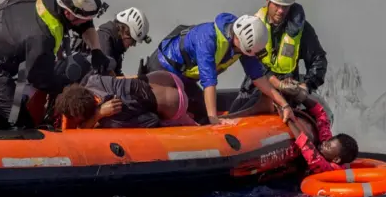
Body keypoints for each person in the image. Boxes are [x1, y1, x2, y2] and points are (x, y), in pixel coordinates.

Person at [0, 0, 112, 130]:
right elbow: (40, 79)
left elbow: (84, 23)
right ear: (68, 14)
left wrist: (96, 50)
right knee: (17, 119)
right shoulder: (42, 37)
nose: (87, 22)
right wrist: (65, 87)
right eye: (82, 18)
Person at [142, 13, 295, 125]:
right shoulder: (207, 40)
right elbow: (208, 82)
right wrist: (214, 119)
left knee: (201, 113)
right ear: (237, 40)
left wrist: (284, 104)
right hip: (163, 69)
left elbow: (258, 78)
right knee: (170, 110)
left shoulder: (243, 45)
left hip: (184, 77)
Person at [229, 0, 328, 114]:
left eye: (286, 7)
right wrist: (275, 83)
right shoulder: (254, 26)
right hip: (255, 87)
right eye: (277, 5)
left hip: (288, 92)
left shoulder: (302, 30)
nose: (281, 11)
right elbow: (249, 59)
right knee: (234, 115)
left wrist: (306, 86)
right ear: (267, 0)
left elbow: (319, 60)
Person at [54, 71, 198, 129]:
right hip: (168, 78)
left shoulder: (112, 119)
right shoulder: (94, 80)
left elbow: (152, 120)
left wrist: (98, 115)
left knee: (155, 118)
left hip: (177, 105)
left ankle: (187, 118)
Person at [283, 82, 359, 173]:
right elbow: (321, 116)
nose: (324, 143)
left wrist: (288, 120)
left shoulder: (328, 169)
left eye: (328, 146)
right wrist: (301, 97)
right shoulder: (327, 145)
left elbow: (307, 148)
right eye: (329, 141)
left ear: (336, 160)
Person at [66, 7, 152, 76]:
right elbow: (106, 76)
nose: (133, 45)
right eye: (133, 41)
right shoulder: (104, 39)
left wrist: (138, 79)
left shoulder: (116, 44)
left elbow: (117, 75)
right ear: (126, 33)